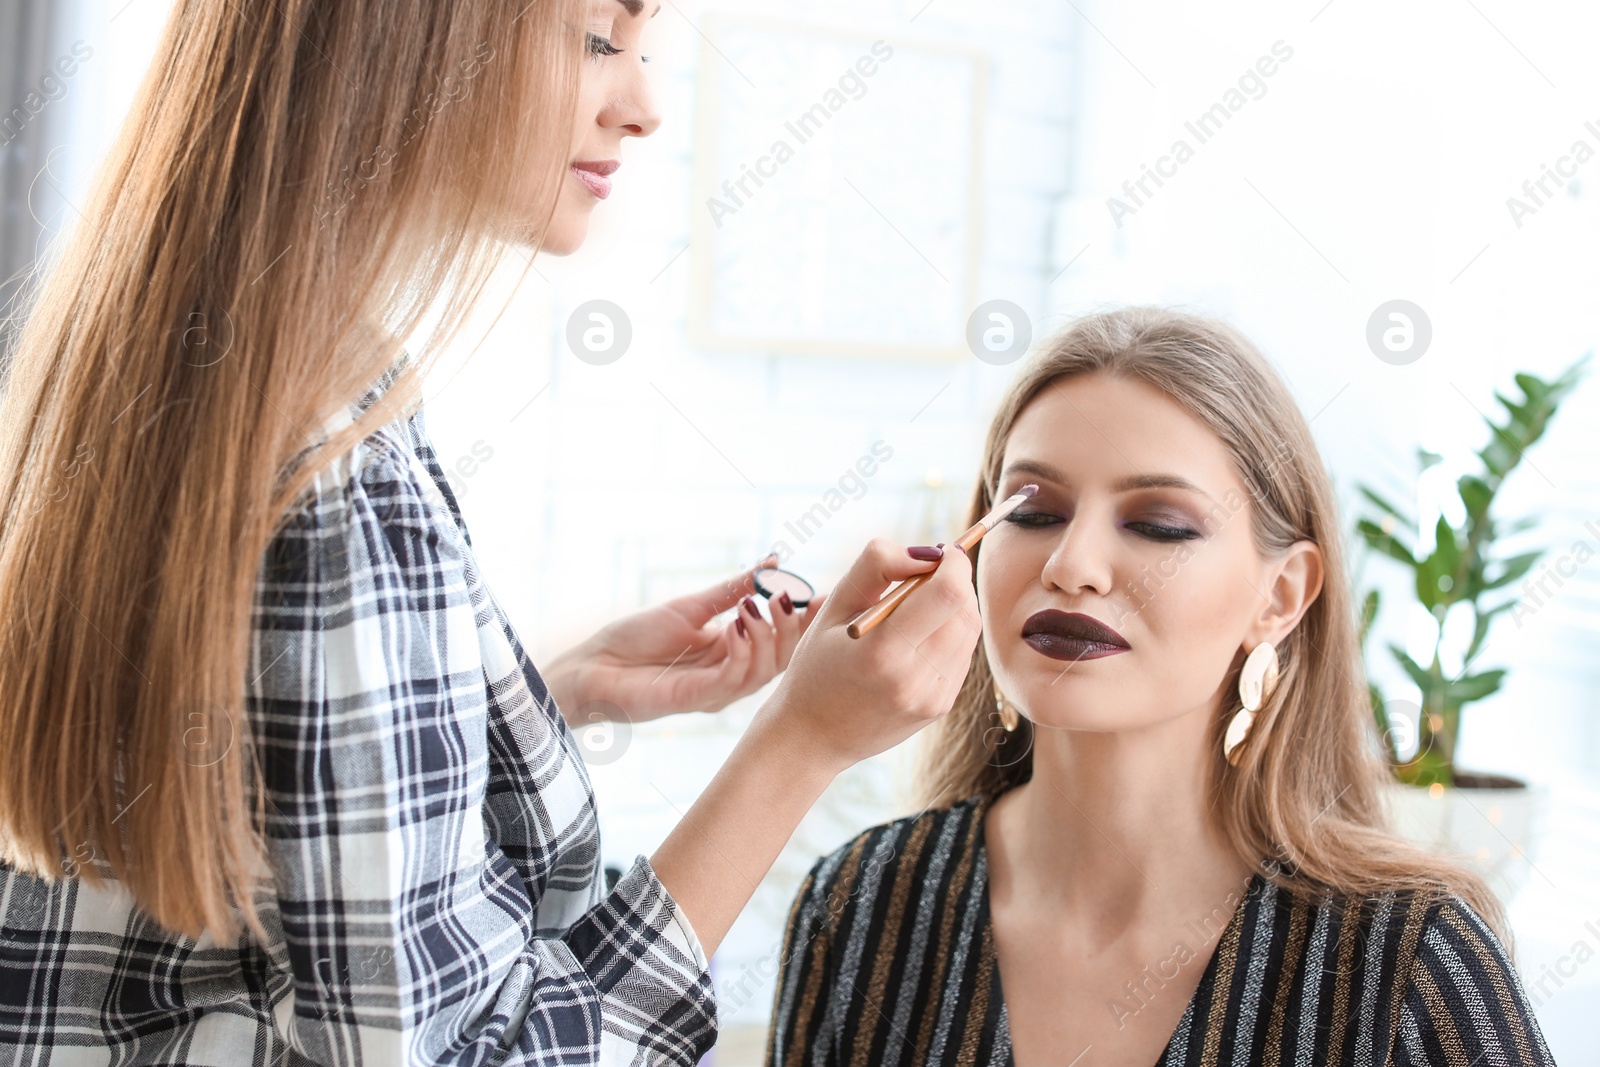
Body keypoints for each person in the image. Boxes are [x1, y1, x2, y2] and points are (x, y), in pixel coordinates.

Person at [0, 1, 981, 1063]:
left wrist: (519, 700)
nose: (644, 105)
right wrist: (801, 743)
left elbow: (246, 829)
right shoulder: (342, 465)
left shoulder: (156, 371)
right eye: (599, 39)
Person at [766, 307, 1558, 1067]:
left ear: (1279, 596)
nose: (1070, 565)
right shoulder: (862, 904)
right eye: (1033, 509)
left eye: (1160, 526)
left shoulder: (1409, 958)